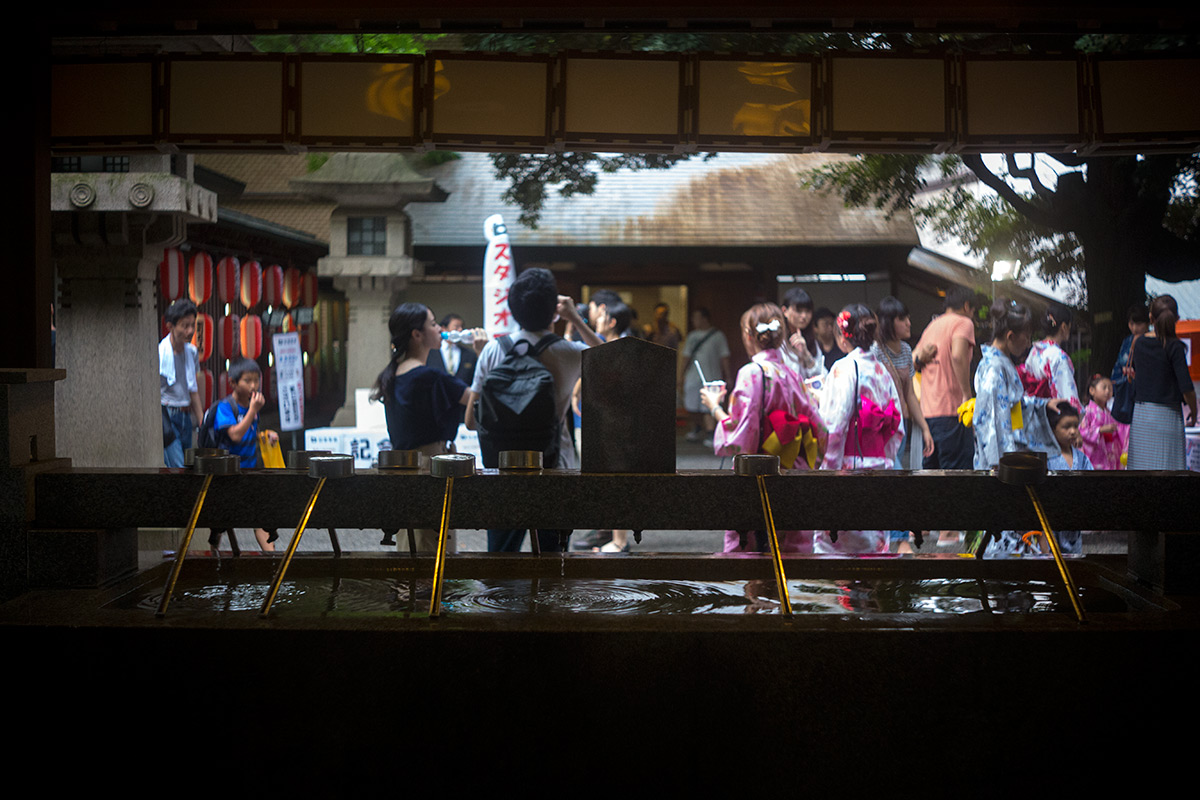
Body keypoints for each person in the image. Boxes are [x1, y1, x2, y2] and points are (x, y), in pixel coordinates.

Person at [466, 267, 603, 552]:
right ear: (554, 310)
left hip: (504, 472)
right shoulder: (568, 352)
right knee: (553, 559)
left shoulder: (492, 350)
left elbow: (470, 421)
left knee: (501, 560)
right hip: (554, 470)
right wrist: (574, 317)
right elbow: (611, 359)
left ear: (513, 309)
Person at [700, 302, 826, 553]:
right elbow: (820, 430)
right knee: (788, 557)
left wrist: (714, 408)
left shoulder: (752, 373)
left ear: (749, 335)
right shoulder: (792, 375)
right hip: (793, 476)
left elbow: (742, 436)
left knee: (753, 555)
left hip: (760, 479)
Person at [373, 303, 486, 552]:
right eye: (433, 324)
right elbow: (476, 400)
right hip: (432, 465)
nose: (438, 329)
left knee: (411, 543)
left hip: (402, 467)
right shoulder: (431, 377)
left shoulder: (393, 374)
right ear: (417, 334)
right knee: (433, 546)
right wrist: (483, 357)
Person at [813, 304, 903, 554]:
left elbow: (834, 427)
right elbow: (897, 428)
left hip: (849, 468)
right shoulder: (882, 371)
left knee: (835, 549)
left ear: (842, 338)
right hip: (880, 466)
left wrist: (827, 470)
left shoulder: (843, 368)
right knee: (873, 548)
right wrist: (885, 458)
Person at [214, 358, 280, 552]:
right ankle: (212, 555)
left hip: (250, 473)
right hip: (228, 476)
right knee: (218, 523)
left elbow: (250, 431)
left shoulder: (252, 407)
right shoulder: (225, 407)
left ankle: (273, 559)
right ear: (233, 383)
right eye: (247, 380)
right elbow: (234, 435)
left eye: (256, 380)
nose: (253, 386)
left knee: (260, 519)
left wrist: (264, 435)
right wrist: (252, 410)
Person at [1126, 295, 1197, 470]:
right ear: (1177, 319)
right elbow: (1186, 387)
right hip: (1168, 416)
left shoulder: (1139, 343)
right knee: (1168, 473)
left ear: (1151, 318)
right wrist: (1194, 413)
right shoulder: (1175, 347)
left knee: (1141, 473)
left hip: (1142, 415)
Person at [914, 286, 978, 469]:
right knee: (956, 474)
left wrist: (920, 359)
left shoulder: (932, 326)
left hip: (928, 415)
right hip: (953, 412)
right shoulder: (963, 323)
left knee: (932, 473)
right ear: (967, 306)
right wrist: (966, 395)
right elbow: (958, 356)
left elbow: (913, 360)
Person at [870, 295, 935, 469]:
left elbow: (909, 394)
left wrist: (925, 428)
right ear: (888, 322)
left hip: (901, 423)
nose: (908, 323)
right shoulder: (875, 351)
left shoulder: (906, 350)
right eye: (902, 319)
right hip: (881, 426)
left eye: (908, 318)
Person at [159, 298, 205, 467]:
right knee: (178, 466)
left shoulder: (191, 352)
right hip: (168, 416)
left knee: (187, 465)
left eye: (192, 325)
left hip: (186, 416)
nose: (190, 331)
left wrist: (202, 422)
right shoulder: (160, 353)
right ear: (170, 326)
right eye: (185, 326)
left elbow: (192, 389)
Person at [680, 307, 731, 444]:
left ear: (704, 318)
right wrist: (681, 375)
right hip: (693, 376)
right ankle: (697, 428)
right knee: (691, 404)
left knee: (709, 406)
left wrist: (728, 376)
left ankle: (710, 433)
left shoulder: (718, 336)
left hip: (712, 376)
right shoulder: (692, 336)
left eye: (696, 317)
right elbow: (686, 357)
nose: (694, 321)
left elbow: (724, 357)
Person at [1023, 301, 1081, 410]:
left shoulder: (1034, 351)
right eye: (1069, 326)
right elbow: (1069, 398)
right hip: (1054, 413)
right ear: (1064, 327)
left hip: (1036, 410)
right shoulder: (1059, 356)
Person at [1079, 374, 1127, 470]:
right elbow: (1081, 432)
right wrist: (1100, 430)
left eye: (1110, 388)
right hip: (1095, 456)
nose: (1107, 391)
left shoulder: (1108, 412)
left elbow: (1119, 429)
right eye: (1104, 388)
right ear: (1092, 390)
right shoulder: (1088, 411)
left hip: (1109, 454)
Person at [1110, 303, 1149, 421]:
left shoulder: (1153, 341)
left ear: (1148, 323)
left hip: (1146, 393)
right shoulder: (1127, 341)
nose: (1135, 328)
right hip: (1125, 391)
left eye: (1139, 324)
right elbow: (1118, 365)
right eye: (1131, 324)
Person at [780, 288, 825, 379]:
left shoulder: (813, 342)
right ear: (785, 311)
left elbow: (821, 376)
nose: (804, 316)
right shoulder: (778, 342)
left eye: (808, 311)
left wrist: (806, 354)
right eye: (798, 311)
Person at [812, 307, 841, 372]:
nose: (830, 328)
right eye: (826, 324)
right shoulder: (811, 348)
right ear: (815, 327)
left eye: (832, 324)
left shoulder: (842, 347)